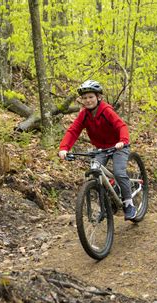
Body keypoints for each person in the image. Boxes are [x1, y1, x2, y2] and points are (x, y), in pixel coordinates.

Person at [58, 80, 136, 220]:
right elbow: (73, 131)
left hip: (118, 146)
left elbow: (121, 126)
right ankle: (107, 203)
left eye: (91, 97)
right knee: (95, 173)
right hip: (101, 149)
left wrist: (122, 141)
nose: (88, 100)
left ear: (98, 97)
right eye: (85, 98)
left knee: (119, 172)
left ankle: (129, 204)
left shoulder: (106, 111)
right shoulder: (84, 115)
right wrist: (64, 148)